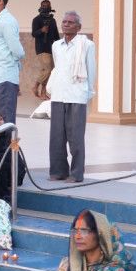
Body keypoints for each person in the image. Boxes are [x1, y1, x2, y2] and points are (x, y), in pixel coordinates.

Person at [46, 10, 95, 183]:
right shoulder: (56, 45)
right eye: (64, 22)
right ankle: (58, 171)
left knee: (75, 138)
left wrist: (88, 94)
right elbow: (57, 69)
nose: (66, 24)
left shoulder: (87, 45)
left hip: (77, 96)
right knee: (57, 136)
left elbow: (91, 70)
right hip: (59, 94)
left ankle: (76, 173)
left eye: (70, 22)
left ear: (79, 27)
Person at [31, 0, 60, 100]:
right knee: (47, 70)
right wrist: (41, 30)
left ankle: (43, 92)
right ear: (40, 6)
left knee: (47, 70)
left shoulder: (52, 20)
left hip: (51, 48)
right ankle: (35, 86)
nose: (45, 7)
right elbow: (33, 33)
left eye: (47, 5)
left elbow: (56, 35)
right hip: (41, 48)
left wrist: (60, 46)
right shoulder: (36, 19)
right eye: (43, 5)